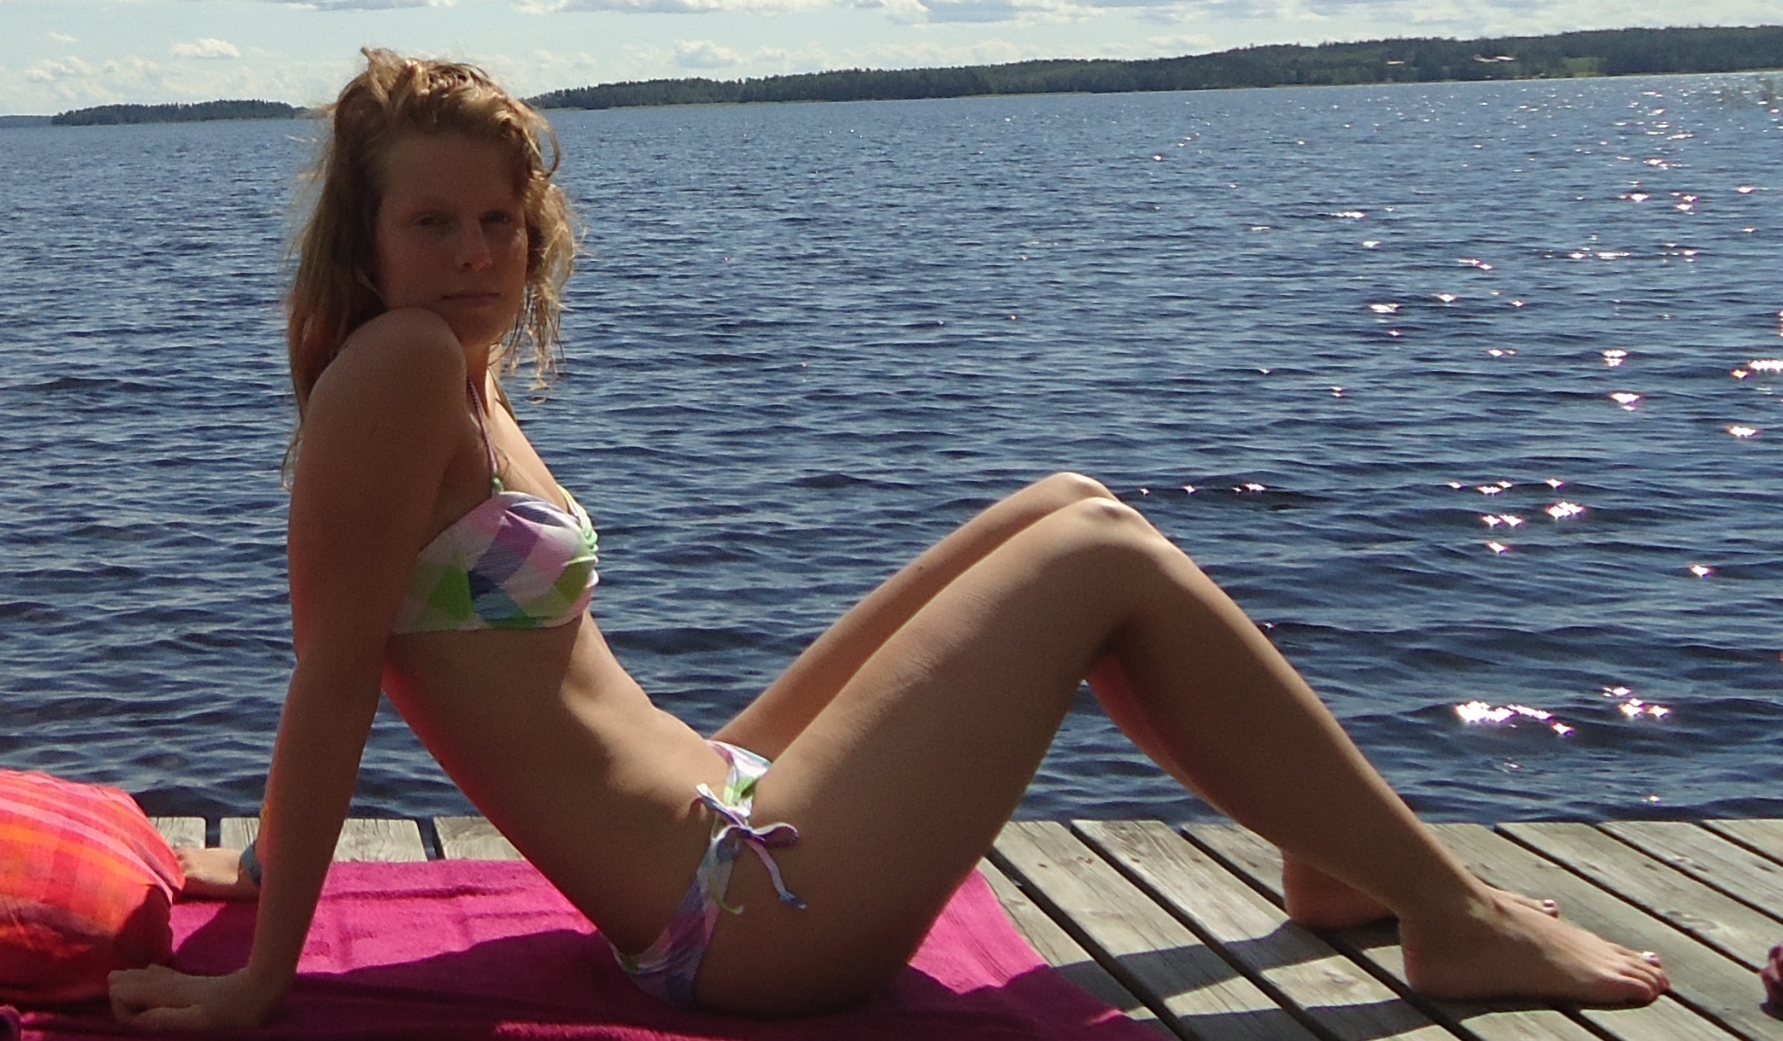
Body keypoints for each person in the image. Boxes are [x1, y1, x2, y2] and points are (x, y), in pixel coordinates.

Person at [107, 49, 1668, 1030]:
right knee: (1103, 562)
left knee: (1062, 504)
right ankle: (1449, 916)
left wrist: (262, 859)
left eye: (498, 221)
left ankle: (1331, 852)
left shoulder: (455, 367)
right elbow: (336, 669)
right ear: (367, 240)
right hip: (737, 916)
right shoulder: (394, 368)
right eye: (432, 224)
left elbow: (401, 649)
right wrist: (265, 974)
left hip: (727, 797)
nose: (474, 254)